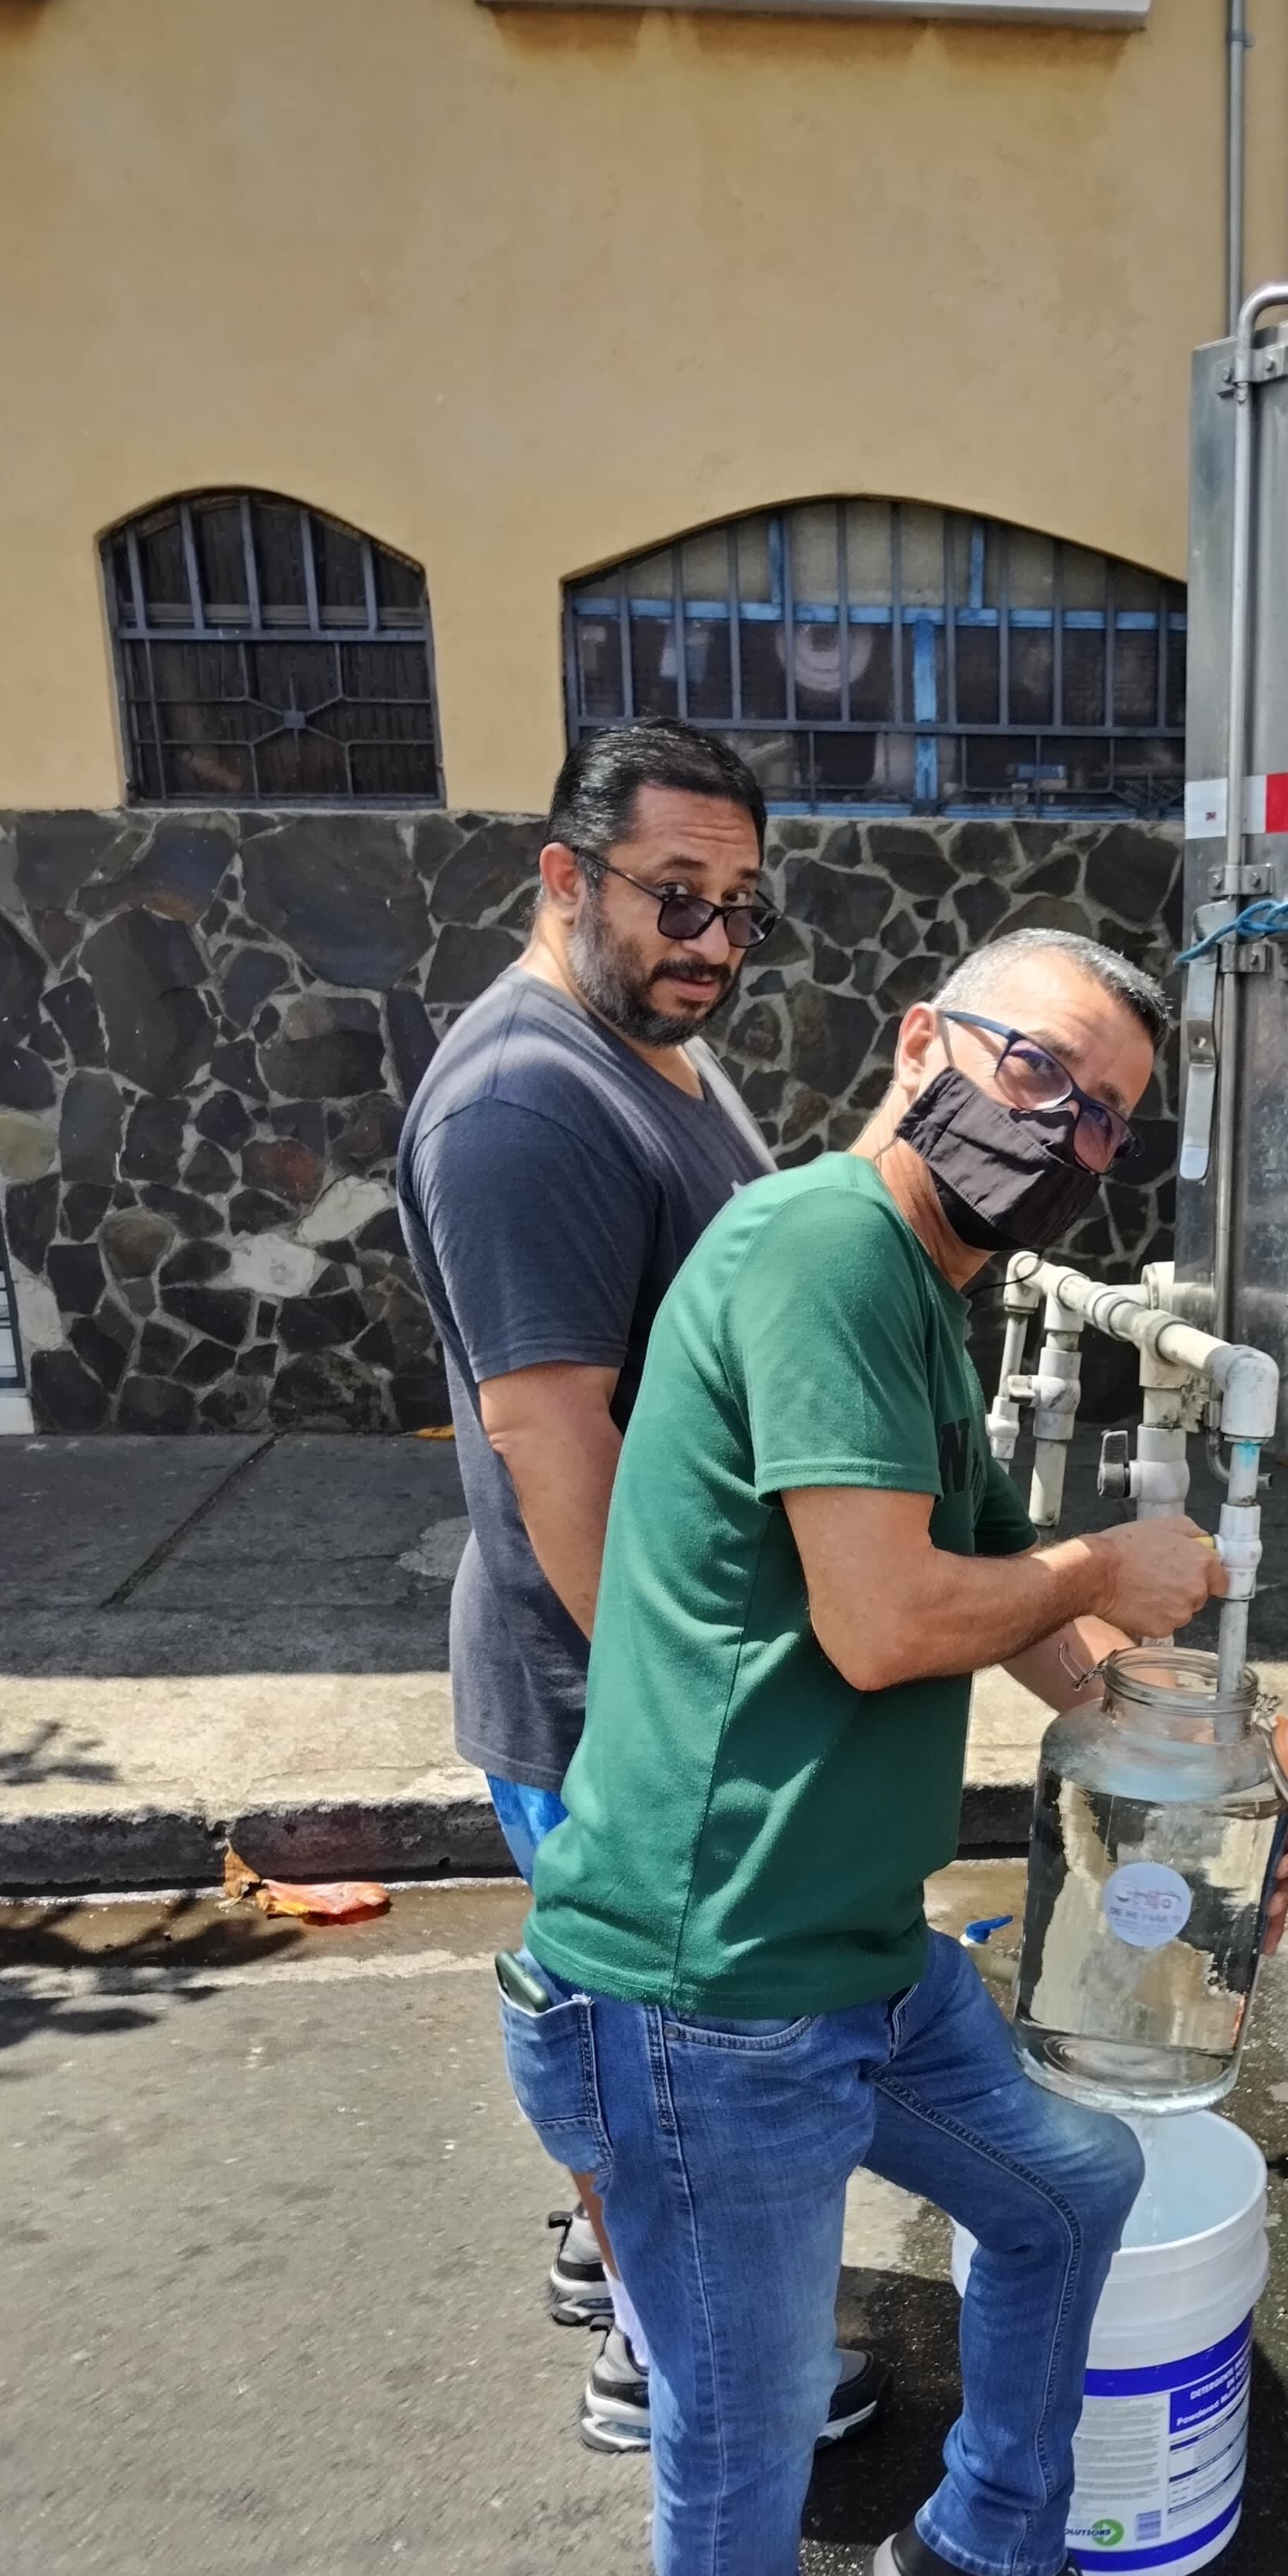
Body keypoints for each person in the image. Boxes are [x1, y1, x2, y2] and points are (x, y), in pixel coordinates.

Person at [503, 926, 1288, 2576]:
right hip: (704, 1978)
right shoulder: (819, 1251)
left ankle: (982, 2547)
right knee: (746, 2413)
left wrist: (1206, 1768)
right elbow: (887, 1622)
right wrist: (1110, 1559)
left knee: (1069, 2190)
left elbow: (1006, 1605)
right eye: (1039, 1073)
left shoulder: (922, 1296)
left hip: (856, 1949)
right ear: (923, 1040)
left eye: (1104, 1117)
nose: (1064, 1131)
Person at [397, 718, 884, 2454]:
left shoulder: (653, 1048)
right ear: (563, 878)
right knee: (673, 2058)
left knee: (633, 2034)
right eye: (677, 897)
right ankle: (668, 2361)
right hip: (606, 1689)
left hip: (644, 1672)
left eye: (743, 907)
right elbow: (554, 1444)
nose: (714, 942)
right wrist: (680, 1720)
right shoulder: (527, 1106)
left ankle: (606, 2249)